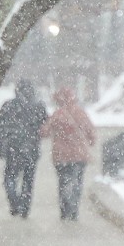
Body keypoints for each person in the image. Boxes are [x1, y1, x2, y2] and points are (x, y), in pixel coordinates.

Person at [40, 87, 96, 221]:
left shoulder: (57, 114)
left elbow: (44, 132)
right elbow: (91, 132)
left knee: (63, 181)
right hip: (79, 155)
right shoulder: (81, 113)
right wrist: (90, 141)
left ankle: (65, 209)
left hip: (61, 156)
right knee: (77, 181)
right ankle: (74, 209)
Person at [0, 79, 48, 218]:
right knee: (28, 179)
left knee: (10, 177)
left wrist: (0, 145)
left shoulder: (7, 106)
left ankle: (14, 201)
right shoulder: (38, 106)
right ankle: (25, 207)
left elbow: (0, 127)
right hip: (31, 148)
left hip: (13, 147)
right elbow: (45, 125)